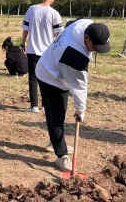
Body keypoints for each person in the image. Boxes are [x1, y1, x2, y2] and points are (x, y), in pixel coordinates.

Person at [36, 19, 111, 172]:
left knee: (59, 113)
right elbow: (79, 88)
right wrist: (80, 111)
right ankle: (61, 155)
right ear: (86, 38)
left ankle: (56, 141)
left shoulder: (85, 23)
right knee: (56, 115)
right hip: (49, 76)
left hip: (57, 65)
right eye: (94, 46)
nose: (95, 50)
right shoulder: (74, 55)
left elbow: (71, 22)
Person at [21, 0, 63, 113]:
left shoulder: (31, 10)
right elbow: (58, 35)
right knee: (46, 79)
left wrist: (23, 44)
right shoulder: (54, 13)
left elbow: (25, 30)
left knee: (32, 79)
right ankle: (45, 105)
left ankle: (34, 106)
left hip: (32, 50)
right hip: (47, 52)